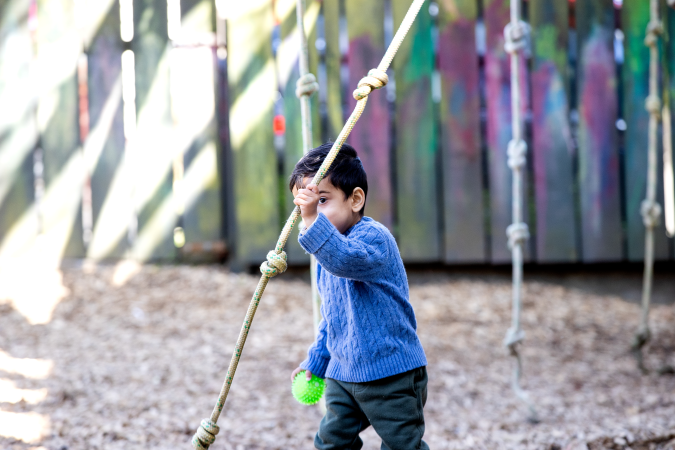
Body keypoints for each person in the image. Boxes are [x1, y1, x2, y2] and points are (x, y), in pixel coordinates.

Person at [289, 142, 430, 450]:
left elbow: (345, 260)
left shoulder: (373, 239)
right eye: (304, 206)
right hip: (343, 375)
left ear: (355, 199)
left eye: (322, 200)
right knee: (331, 443)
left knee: (401, 445)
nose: (310, 211)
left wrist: (312, 220)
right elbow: (333, 317)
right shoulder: (326, 255)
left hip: (390, 373)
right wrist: (317, 360)